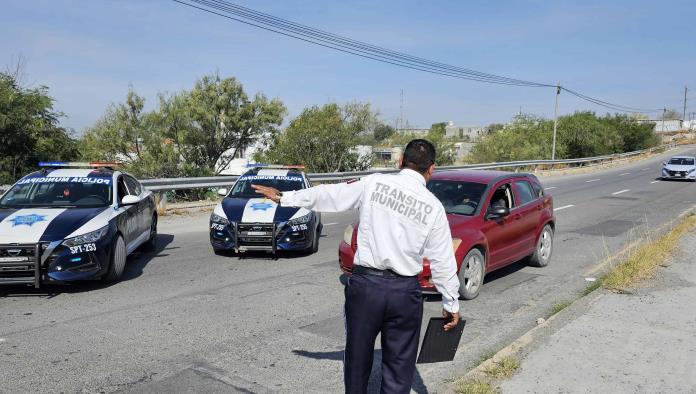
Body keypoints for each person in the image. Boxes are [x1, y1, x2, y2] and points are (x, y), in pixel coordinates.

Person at [252, 139, 461, 394]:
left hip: (366, 288)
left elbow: (331, 194)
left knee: (357, 358)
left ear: (400, 162)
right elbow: (443, 260)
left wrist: (286, 196)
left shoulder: (374, 183)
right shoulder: (434, 207)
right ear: (432, 169)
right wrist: (451, 304)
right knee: (399, 367)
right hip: (405, 293)